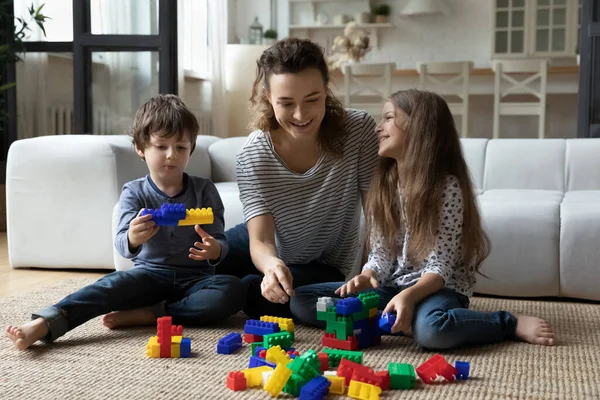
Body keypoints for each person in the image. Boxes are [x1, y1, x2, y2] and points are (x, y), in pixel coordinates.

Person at [290, 89, 555, 349]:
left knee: (434, 331)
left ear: (419, 126)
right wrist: (367, 274)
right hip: (393, 287)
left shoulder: (447, 188)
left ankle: (507, 323)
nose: (377, 128)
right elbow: (381, 253)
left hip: (437, 290)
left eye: (389, 118)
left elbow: (439, 268)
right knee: (302, 300)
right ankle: (402, 317)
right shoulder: (384, 184)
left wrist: (409, 295)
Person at [5, 94, 246, 350]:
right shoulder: (135, 192)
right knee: (107, 286)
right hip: (149, 275)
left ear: (191, 150)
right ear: (141, 149)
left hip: (197, 280)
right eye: (161, 146)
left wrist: (215, 249)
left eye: (181, 147)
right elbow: (122, 244)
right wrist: (134, 237)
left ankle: (151, 314)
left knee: (232, 290)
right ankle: (45, 323)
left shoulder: (204, 190)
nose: (171, 155)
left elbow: (220, 240)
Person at [217, 38, 379, 319]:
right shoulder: (253, 155)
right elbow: (261, 240)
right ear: (268, 96)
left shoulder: (359, 131)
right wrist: (270, 265)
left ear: (327, 90)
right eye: (286, 103)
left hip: (323, 263)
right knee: (195, 263)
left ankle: (234, 290)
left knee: (262, 297)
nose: (301, 115)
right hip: (268, 246)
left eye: (313, 99)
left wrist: (370, 271)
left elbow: (377, 214)